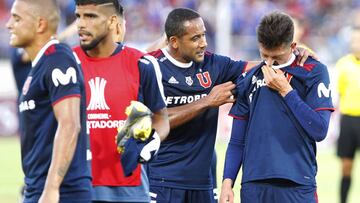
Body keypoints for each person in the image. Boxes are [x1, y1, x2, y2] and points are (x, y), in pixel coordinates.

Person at [146, 8, 313, 203]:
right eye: (195, 38)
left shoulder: (212, 64)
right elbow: (150, 122)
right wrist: (207, 101)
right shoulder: (152, 66)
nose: (204, 43)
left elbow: (258, 67)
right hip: (162, 179)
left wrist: (292, 55)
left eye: (203, 35)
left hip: (203, 182)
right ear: (174, 41)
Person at [220, 11, 334, 203]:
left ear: (293, 46)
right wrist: (227, 183)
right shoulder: (249, 78)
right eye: (265, 55)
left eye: (277, 57)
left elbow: (319, 130)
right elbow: (237, 141)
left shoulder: (314, 72)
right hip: (254, 185)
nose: (270, 64)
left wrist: (287, 92)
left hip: (297, 183)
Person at [73, 0, 170, 202]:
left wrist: (153, 141)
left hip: (130, 188)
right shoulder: (67, 63)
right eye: (78, 16)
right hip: (77, 185)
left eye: (90, 16)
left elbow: (161, 118)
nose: (81, 24)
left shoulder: (142, 64)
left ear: (112, 21)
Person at [6, 0, 91, 202]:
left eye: (17, 18)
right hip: (37, 189)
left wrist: (52, 189)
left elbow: (70, 125)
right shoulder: (39, 65)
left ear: (40, 25)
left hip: (63, 192)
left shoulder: (58, 59)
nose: (9, 24)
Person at [336, 19, 360, 203]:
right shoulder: (343, 64)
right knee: (346, 167)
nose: (355, 44)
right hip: (349, 120)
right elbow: (341, 92)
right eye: (353, 41)